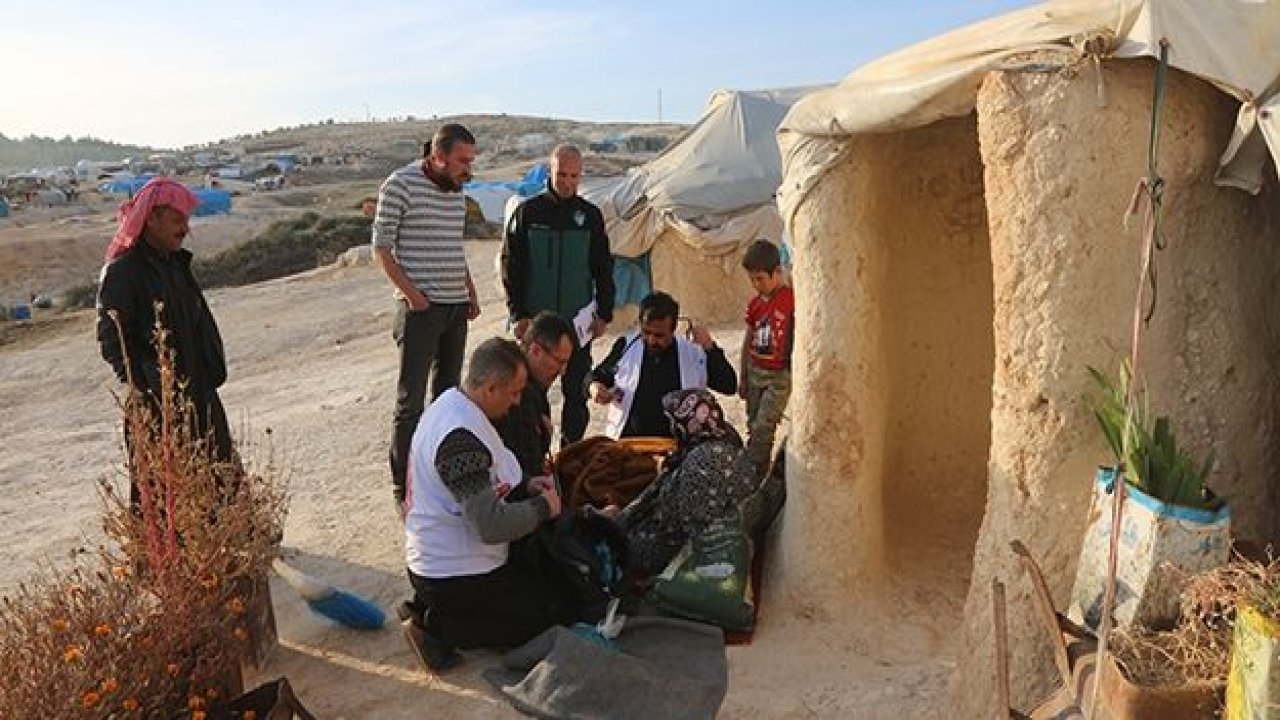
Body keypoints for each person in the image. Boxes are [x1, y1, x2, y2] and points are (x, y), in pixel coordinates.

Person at [400, 338, 568, 672]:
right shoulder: (459, 442)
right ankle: (438, 628)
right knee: (543, 618)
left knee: (540, 586)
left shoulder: (455, 405)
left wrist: (527, 485)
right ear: (491, 388)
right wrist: (544, 507)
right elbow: (491, 525)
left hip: (446, 562)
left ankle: (433, 609)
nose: (517, 402)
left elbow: (488, 479)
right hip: (453, 575)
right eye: (514, 393)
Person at [95, 178, 233, 491]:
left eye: (186, 219)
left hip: (200, 397)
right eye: (176, 219)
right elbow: (112, 341)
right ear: (151, 220)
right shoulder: (123, 272)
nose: (184, 228)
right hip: (158, 408)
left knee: (221, 484)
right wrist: (149, 388)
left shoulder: (176, 265)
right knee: (167, 494)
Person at [373, 124, 483, 515]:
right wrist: (414, 297)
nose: (468, 169)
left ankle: (439, 478)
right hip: (420, 312)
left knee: (448, 399)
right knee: (410, 404)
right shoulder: (399, 185)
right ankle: (403, 488)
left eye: (471, 160)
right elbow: (381, 249)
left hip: (455, 307)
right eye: (462, 161)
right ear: (438, 157)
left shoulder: (457, 190)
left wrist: (469, 290)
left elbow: (453, 246)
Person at [501, 144, 615, 448]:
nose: (567, 182)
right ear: (549, 172)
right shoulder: (528, 213)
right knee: (528, 391)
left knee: (577, 391)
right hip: (536, 325)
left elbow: (603, 266)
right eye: (561, 174)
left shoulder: (590, 216)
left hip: (576, 323)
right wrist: (517, 314)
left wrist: (604, 312)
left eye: (574, 176)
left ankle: (569, 453)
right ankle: (530, 453)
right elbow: (512, 267)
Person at [616, 388, 758, 576]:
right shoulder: (723, 434)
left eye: (673, 422)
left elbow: (690, 527)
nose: (672, 428)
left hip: (671, 549)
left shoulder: (702, 461)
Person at [589, 291, 736, 439]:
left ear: (673, 329)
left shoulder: (693, 352)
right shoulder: (626, 347)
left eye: (659, 335)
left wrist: (710, 347)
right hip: (629, 442)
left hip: (679, 445)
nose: (651, 340)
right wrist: (594, 387)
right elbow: (596, 377)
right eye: (646, 332)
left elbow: (728, 385)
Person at [493, 312, 576, 478]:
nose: (562, 371)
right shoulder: (517, 390)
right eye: (559, 361)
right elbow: (527, 461)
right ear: (535, 350)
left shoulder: (531, 382)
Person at [739, 240, 794, 476]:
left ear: (777, 272)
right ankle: (758, 475)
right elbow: (748, 338)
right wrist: (743, 375)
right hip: (755, 371)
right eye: (752, 279)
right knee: (753, 425)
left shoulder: (791, 299)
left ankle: (751, 473)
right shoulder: (754, 305)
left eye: (760, 279)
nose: (756, 285)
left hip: (779, 376)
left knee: (764, 426)